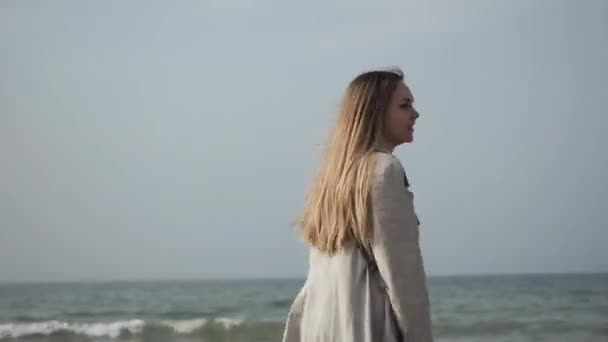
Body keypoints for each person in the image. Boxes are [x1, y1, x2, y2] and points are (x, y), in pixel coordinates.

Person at [282, 68, 433, 342]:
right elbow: (402, 278)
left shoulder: (331, 181)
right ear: (374, 111)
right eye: (404, 105)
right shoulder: (384, 170)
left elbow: (315, 281)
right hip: (365, 327)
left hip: (322, 328)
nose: (416, 114)